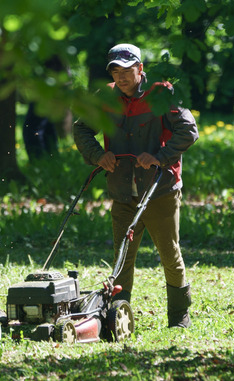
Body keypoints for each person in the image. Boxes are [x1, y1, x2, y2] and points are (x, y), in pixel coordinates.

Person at [73, 43, 199, 328]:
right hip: (122, 191)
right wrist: (97, 155)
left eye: (127, 70)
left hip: (159, 190)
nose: (121, 76)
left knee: (169, 254)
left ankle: (179, 316)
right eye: (115, 70)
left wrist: (158, 157)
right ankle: (118, 316)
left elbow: (189, 131)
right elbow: (81, 128)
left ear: (140, 69)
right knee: (122, 256)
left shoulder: (161, 94)